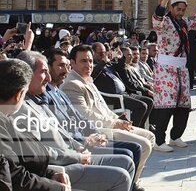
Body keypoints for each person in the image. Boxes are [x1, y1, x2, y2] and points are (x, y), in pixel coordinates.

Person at [13, 51, 135, 191]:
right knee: (121, 176)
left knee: (126, 160)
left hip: (75, 150)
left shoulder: (38, 101)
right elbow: (40, 152)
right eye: (43, 72)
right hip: (61, 167)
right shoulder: (21, 108)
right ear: (26, 75)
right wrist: (78, 154)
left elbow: (64, 129)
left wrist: (80, 146)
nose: (48, 78)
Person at [43, 48, 145, 189]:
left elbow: (79, 117)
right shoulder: (56, 91)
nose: (65, 70)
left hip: (88, 137)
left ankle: (132, 186)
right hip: (75, 149)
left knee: (133, 150)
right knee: (128, 158)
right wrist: (85, 141)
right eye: (60, 66)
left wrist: (96, 132)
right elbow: (62, 129)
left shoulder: (58, 90)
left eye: (90, 61)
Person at [150, 0, 196, 152]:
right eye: (178, 9)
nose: (181, 12)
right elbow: (156, 22)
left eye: (183, 10)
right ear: (172, 8)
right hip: (166, 69)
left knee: (184, 105)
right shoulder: (165, 22)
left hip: (182, 69)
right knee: (166, 105)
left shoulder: (184, 22)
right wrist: (162, 3)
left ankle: (175, 136)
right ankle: (159, 140)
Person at [0, 59, 69, 191]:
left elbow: (18, 165)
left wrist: (50, 175)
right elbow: (13, 177)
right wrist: (58, 188)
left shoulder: (5, 120)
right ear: (19, 94)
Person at [91, 42, 153, 129]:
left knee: (149, 102)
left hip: (124, 93)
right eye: (101, 53)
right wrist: (103, 62)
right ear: (93, 53)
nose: (103, 55)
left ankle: (141, 127)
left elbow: (121, 69)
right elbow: (92, 75)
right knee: (142, 106)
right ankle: (132, 129)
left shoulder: (109, 64)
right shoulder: (93, 65)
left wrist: (120, 58)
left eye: (105, 53)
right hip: (114, 97)